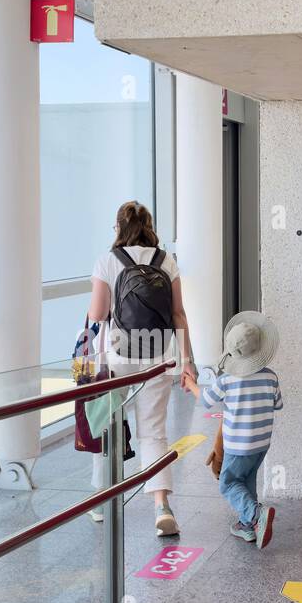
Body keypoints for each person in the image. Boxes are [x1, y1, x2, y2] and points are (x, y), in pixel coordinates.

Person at [87, 201, 196, 537]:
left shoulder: (107, 261)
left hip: (118, 357)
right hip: (158, 357)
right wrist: (187, 360)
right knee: (153, 432)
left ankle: (103, 500)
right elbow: (178, 314)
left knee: (108, 425)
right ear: (150, 227)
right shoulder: (167, 261)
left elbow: (97, 314)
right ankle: (162, 507)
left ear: (119, 227)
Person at [182, 312, 282, 548]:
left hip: (238, 444)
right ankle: (248, 525)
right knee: (246, 480)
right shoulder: (271, 377)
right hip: (261, 443)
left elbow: (206, 399)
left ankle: (256, 514)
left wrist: (190, 384)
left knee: (227, 483)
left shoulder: (227, 380)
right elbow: (277, 404)